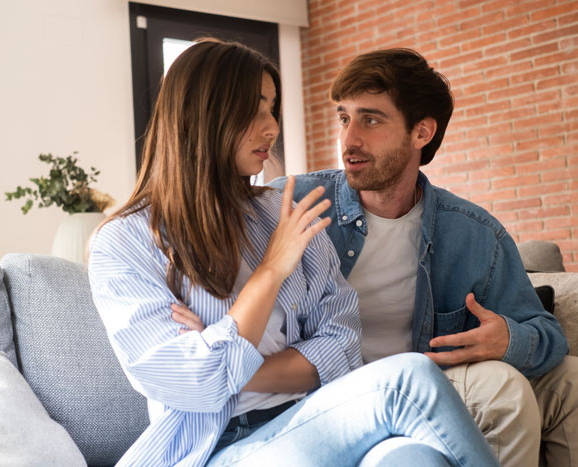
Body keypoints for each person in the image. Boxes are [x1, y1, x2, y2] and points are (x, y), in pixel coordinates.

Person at [89, 40, 499, 467]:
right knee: (408, 379)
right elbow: (195, 385)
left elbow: (341, 344)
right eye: (256, 109)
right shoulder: (125, 241)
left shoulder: (278, 211)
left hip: (312, 419)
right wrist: (270, 271)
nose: (271, 128)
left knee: (416, 459)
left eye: (272, 109)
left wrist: (225, 357)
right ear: (205, 113)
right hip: (214, 449)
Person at [260, 48, 578, 467]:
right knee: (503, 389)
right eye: (344, 117)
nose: (349, 139)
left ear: (422, 132)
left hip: (430, 386)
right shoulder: (293, 203)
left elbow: (547, 335)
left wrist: (507, 339)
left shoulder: (472, 232)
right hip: (337, 400)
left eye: (370, 119)